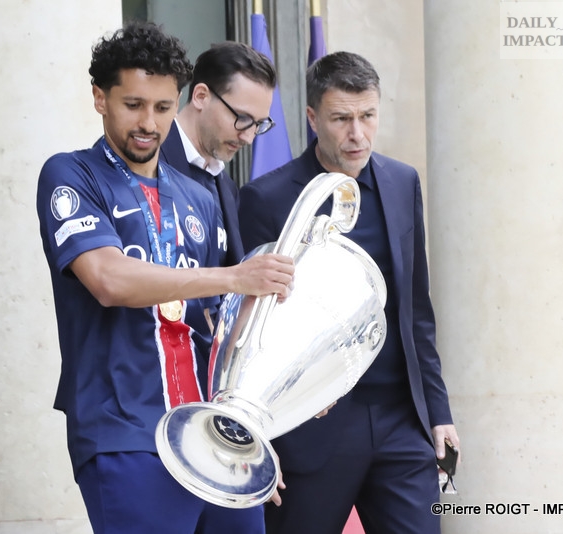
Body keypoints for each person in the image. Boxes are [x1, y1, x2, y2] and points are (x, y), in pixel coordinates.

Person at [35, 22, 294, 534]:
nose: (148, 123)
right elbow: (109, 280)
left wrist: (251, 425)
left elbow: (221, 334)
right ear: (99, 99)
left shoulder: (201, 196)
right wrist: (231, 277)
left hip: (210, 434)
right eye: (132, 104)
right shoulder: (69, 174)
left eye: (161, 107)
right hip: (125, 432)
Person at [238, 51, 460, 534]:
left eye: (368, 116)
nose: (357, 134)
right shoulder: (265, 198)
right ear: (313, 118)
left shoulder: (403, 183)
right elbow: (251, 328)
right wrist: (260, 438)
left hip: (402, 420)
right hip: (309, 428)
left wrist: (438, 412)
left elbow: (416, 308)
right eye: (341, 119)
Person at [160, 41, 277, 267]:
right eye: (242, 119)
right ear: (201, 96)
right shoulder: (146, 161)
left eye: (259, 124)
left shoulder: (226, 187)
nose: (249, 137)